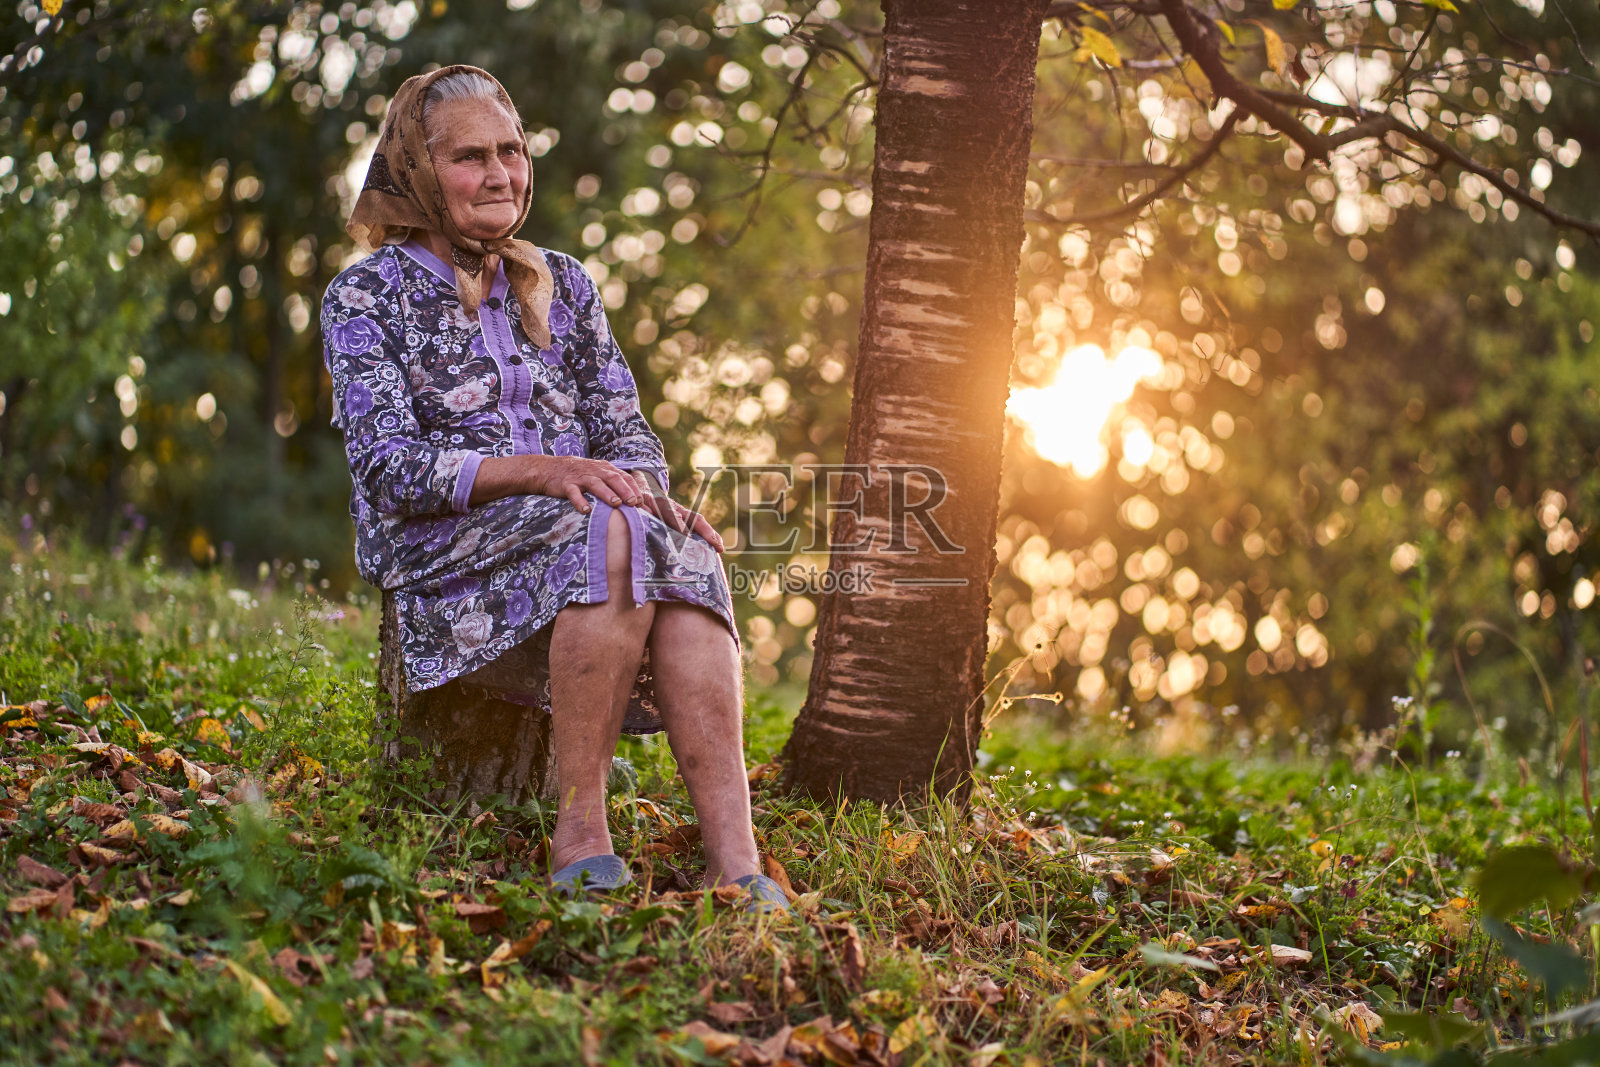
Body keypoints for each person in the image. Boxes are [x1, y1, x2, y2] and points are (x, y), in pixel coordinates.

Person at [320, 64, 785, 911]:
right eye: (470, 157)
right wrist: (548, 471)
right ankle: (581, 831)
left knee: (677, 543)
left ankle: (736, 861)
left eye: (511, 151)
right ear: (417, 170)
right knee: (610, 531)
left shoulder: (562, 281)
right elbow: (389, 468)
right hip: (438, 544)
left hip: (580, 526)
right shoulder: (365, 294)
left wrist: (645, 493)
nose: (500, 174)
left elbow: (624, 428)